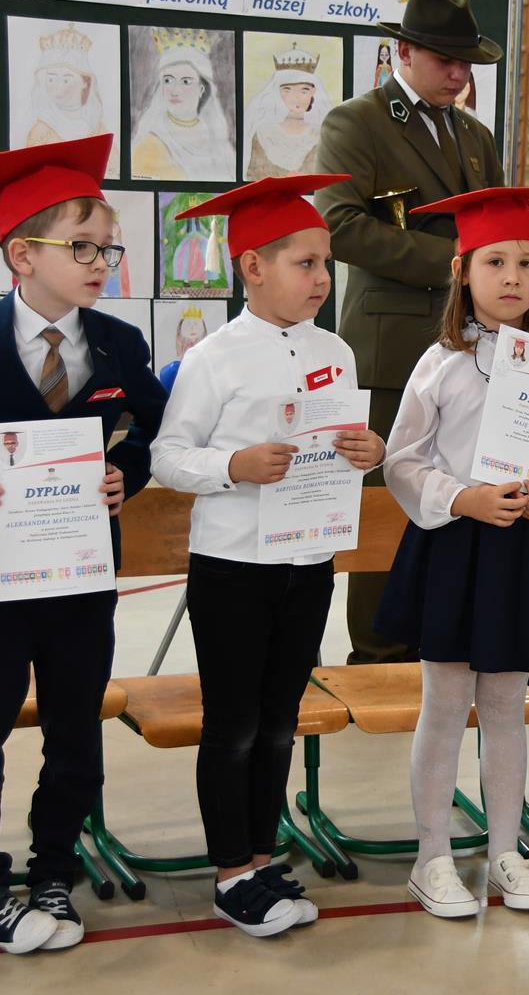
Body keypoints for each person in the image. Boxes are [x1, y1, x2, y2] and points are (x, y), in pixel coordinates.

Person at [0, 134, 168, 954]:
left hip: (82, 574)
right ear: (22, 254)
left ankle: (54, 867)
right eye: (81, 247)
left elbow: (152, 428)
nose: (101, 263)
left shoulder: (120, 343)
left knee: (75, 737)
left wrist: (127, 472)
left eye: (108, 248)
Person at [150, 174, 384, 936]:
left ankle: (260, 852)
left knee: (282, 718)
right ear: (253, 267)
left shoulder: (335, 352)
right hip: (232, 566)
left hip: (306, 561)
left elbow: (340, 441)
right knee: (235, 724)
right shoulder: (213, 357)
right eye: (305, 263)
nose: (322, 279)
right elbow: (167, 455)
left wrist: (367, 451)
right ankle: (230, 873)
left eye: (326, 264)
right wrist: (234, 465)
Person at [375, 187, 529, 919]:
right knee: (444, 706)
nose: (512, 277)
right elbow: (402, 461)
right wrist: (462, 497)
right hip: (456, 546)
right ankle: (432, 856)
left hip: (524, 550)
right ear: (462, 271)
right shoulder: (441, 362)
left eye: (527, 263)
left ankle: (505, 851)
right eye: (495, 261)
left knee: (506, 706)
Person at [316, 0, 505, 665]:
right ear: (403, 52)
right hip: (392, 346)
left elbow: (495, 228)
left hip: (472, 348)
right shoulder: (357, 122)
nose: (459, 74)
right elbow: (338, 225)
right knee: (387, 500)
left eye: (466, 63)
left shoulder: (475, 136)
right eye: (445, 60)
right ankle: (377, 651)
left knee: (457, 490)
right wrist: (453, 263)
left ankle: (440, 635)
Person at [131, 28, 234, 181]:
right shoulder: (150, 144)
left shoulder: (215, 135)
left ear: (201, 89)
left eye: (186, 81)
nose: (175, 90)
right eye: (168, 80)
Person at [242, 43, 334, 180]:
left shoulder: (321, 135)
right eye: (287, 90)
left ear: (313, 92)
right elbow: (253, 178)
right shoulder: (263, 134)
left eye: (304, 90)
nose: (296, 97)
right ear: (277, 92)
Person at [23, 25, 109, 148]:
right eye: (51, 79)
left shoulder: (96, 128)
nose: (57, 87)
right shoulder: (41, 131)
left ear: (85, 83)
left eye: (66, 80)